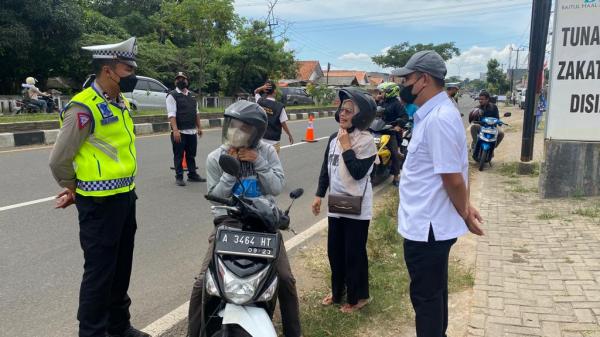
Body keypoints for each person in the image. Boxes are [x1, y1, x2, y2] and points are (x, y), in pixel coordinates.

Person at [48, 37, 150, 337]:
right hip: (99, 204)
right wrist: (75, 187)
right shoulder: (83, 108)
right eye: (127, 68)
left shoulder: (121, 104)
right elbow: (59, 161)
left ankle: (119, 326)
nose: (133, 73)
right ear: (108, 70)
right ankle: (92, 332)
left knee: (121, 269)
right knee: (99, 274)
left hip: (124, 198)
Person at [187, 100, 302, 337]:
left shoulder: (267, 152)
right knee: (201, 283)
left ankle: (294, 333)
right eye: (232, 125)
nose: (235, 132)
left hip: (263, 222)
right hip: (229, 223)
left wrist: (257, 161)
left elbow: (277, 186)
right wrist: (232, 171)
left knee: (286, 280)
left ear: (255, 132)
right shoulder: (216, 157)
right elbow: (216, 199)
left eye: (243, 127)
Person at [392, 50, 484, 337]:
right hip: (426, 225)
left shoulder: (439, 119)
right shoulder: (433, 115)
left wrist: (465, 212)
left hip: (427, 228)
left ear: (423, 80)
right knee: (434, 294)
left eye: (407, 78)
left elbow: (453, 178)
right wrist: (465, 206)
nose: (403, 84)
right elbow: (456, 170)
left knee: (427, 299)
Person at [311, 87, 377, 313]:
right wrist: (319, 195)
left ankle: (358, 297)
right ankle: (338, 291)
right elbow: (326, 168)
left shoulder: (366, 141)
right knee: (335, 251)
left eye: (349, 111)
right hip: (337, 203)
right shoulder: (333, 138)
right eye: (342, 109)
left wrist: (348, 146)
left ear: (360, 115)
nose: (343, 113)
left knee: (354, 254)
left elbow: (359, 172)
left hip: (357, 207)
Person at [167, 71, 206, 186]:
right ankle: (179, 176)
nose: (180, 81)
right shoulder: (172, 95)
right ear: (175, 81)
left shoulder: (192, 96)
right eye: (178, 79)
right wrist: (175, 130)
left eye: (183, 79)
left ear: (187, 81)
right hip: (179, 131)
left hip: (192, 131)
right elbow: (171, 114)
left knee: (191, 154)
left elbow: (196, 113)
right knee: (179, 155)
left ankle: (192, 174)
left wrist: (199, 127)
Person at [375, 82, 408, 186]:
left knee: (394, 153)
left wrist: (398, 126)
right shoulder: (382, 102)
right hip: (379, 130)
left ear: (390, 92)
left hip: (391, 132)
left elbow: (404, 117)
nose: (381, 94)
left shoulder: (397, 104)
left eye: (383, 92)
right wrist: (376, 100)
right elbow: (374, 111)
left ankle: (396, 176)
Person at [254, 80, 294, 153]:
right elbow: (283, 123)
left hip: (260, 140)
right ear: (275, 91)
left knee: (261, 163)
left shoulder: (259, 101)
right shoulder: (279, 107)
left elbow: (256, 92)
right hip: (273, 143)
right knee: (273, 164)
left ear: (265, 91)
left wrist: (261, 88)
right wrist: (289, 135)